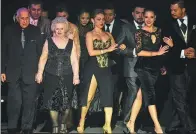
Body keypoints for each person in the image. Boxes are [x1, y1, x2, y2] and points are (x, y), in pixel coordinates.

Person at [126, 9, 174, 133]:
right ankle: (157, 126)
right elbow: (139, 52)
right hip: (143, 67)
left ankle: (130, 122)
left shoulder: (159, 31)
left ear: (155, 18)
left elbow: (162, 50)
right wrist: (156, 53)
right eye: (146, 17)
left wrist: (169, 49)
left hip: (154, 69)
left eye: (151, 17)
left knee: (140, 95)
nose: (148, 19)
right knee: (150, 95)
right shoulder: (139, 32)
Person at [77, 9, 125, 133]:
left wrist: (120, 47)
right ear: (93, 20)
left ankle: (107, 125)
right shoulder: (90, 34)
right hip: (93, 67)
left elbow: (114, 49)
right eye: (98, 19)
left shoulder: (108, 34)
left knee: (108, 96)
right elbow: (91, 52)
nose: (101, 22)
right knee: (88, 96)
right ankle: (81, 122)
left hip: (106, 68)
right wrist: (107, 50)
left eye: (103, 19)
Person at [35, 17, 80, 133]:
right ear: (53, 29)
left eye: (61, 28)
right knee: (51, 103)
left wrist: (76, 76)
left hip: (67, 75)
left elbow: (74, 60)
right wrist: (39, 73)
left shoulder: (71, 43)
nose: (59, 31)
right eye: (57, 29)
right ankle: (55, 126)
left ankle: (63, 124)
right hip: (51, 75)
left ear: (65, 29)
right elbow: (43, 58)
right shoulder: (48, 41)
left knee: (66, 102)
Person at [1, 7, 42, 134]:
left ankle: (27, 128)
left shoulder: (36, 31)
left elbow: (40, 53)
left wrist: (39, 71)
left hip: (31, 73)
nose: (24, 21)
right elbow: (3, 51)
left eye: (26, 18)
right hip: (13, 72)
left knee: (29, 103)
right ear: (17, 18)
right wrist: (2, 70)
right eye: (22, 18)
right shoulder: (9, 30)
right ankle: (12, 127)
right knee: (14, 102)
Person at [163, 0, 196, 133]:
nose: (172, 12)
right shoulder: (167, 25)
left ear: (183, 10)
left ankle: (172, 126)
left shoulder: (194, 21)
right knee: (179, 98)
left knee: (184, 97)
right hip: (176, 67)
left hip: (192, 67)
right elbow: (165, 48)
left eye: (175, 10)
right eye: (171, 10)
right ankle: (191, 127)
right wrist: (181, 52)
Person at [116, 5, 145, 128]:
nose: (140, 15)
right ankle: (127, 121)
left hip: (147, 67)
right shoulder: (126, 28)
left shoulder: (150, 27)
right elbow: (118, 48)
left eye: (142, 13)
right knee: (133, 92)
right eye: (137, 13)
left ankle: (136, 120)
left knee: (143, 94)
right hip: (131, 67)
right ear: (133, 14)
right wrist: (132, 51)